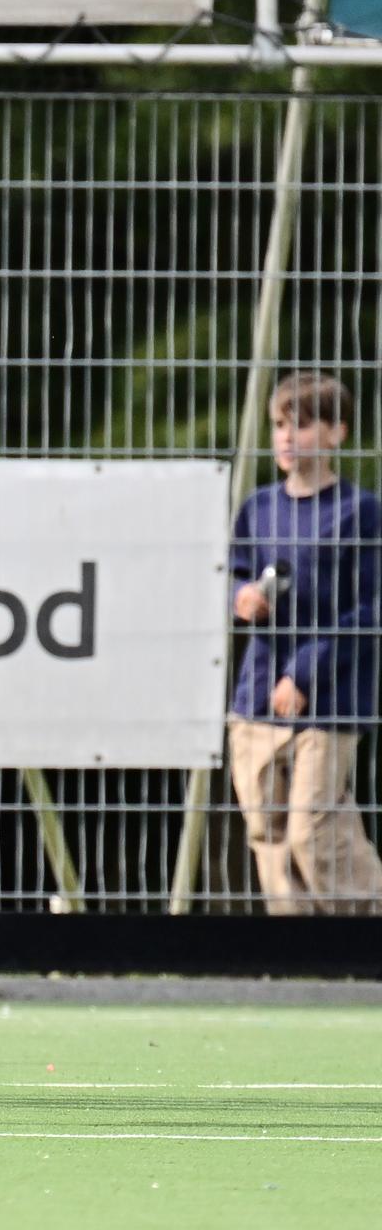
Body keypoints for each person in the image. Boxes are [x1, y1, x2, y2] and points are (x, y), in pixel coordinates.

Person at [228, 371, 382, 915]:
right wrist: (241, 596)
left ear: (338, 433)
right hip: (256, 698)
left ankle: (361, 938)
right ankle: (295, 952)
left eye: (305, 424)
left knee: (313, 833)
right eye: (279, 425)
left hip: (329, 700)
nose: (289, 437)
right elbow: (232, 574)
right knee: (267, 835)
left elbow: (369, 609)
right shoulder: (258, 507)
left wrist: (306, 673)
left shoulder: (360, 512)